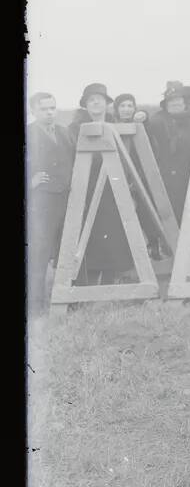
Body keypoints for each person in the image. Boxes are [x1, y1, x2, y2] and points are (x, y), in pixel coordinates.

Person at [71, 82, 134, 284]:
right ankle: (85, 283)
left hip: (113, 190)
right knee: (89, 237)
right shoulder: (75, 129)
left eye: (100, 99)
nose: (96, 103)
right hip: (87, 191)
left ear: (107, 104)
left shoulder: (117, 127)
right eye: (91, 100)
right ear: (86, 106)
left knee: (114, 236)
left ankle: (109, 282)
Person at [26, 92, 74, 317]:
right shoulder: (28, 133)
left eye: (52, 108)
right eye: (44, 109)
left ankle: (68, 300)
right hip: (42, 202)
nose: (49, 112)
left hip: (67, 198)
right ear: (33, 111)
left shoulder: (65, 133)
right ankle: (35, 306)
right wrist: (29, 181)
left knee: (68, 250)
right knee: (39, 253)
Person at [146, 81, 190, 224]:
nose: (175, 103)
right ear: (165, 104)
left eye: (178, 99)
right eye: (171, 100)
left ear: (184, 102)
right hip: (166, 181)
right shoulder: (157, 122)